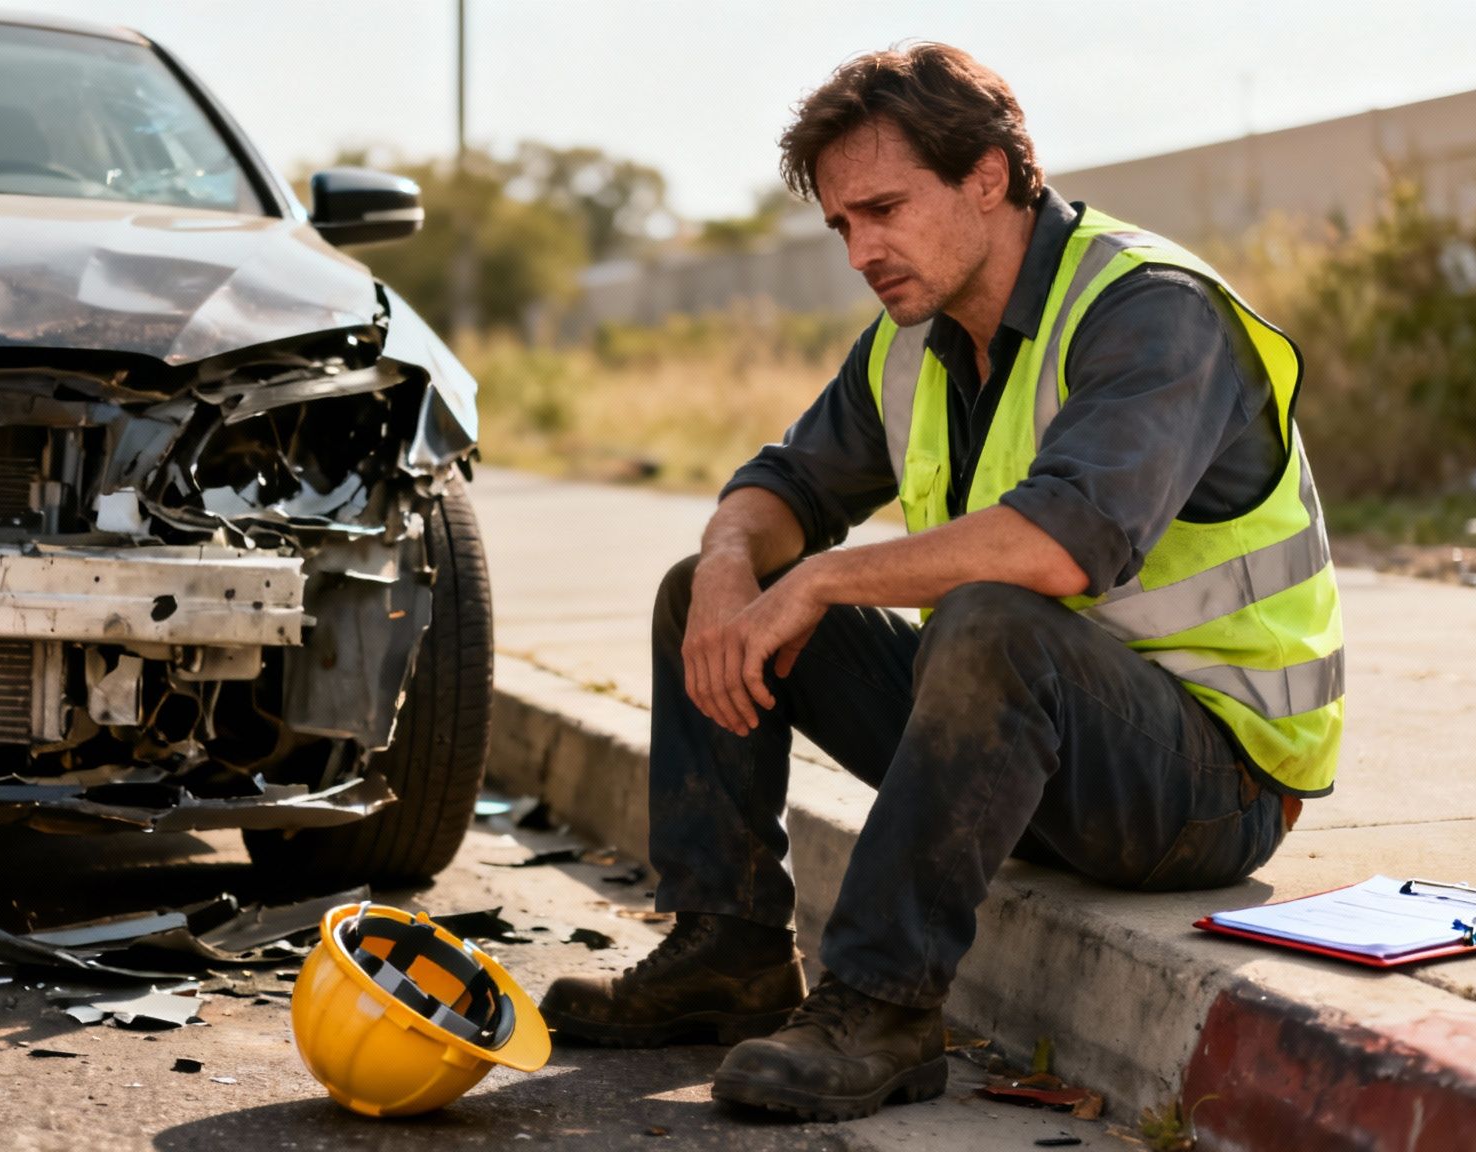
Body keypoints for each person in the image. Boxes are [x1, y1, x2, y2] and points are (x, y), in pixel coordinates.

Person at [541, 42, 1344, 1122]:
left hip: (1207, 786)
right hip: (1040, 754)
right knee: (704, 589)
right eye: (841, 226)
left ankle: (881, 1005)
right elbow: (778, 482)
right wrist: (738, 564)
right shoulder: (910, 344)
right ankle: (724, 948)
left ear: (989, 177)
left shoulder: (1150, 309)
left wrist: (821, 577)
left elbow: (1066, 542)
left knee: (987, 621)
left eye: (882, 209)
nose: (861, 251)